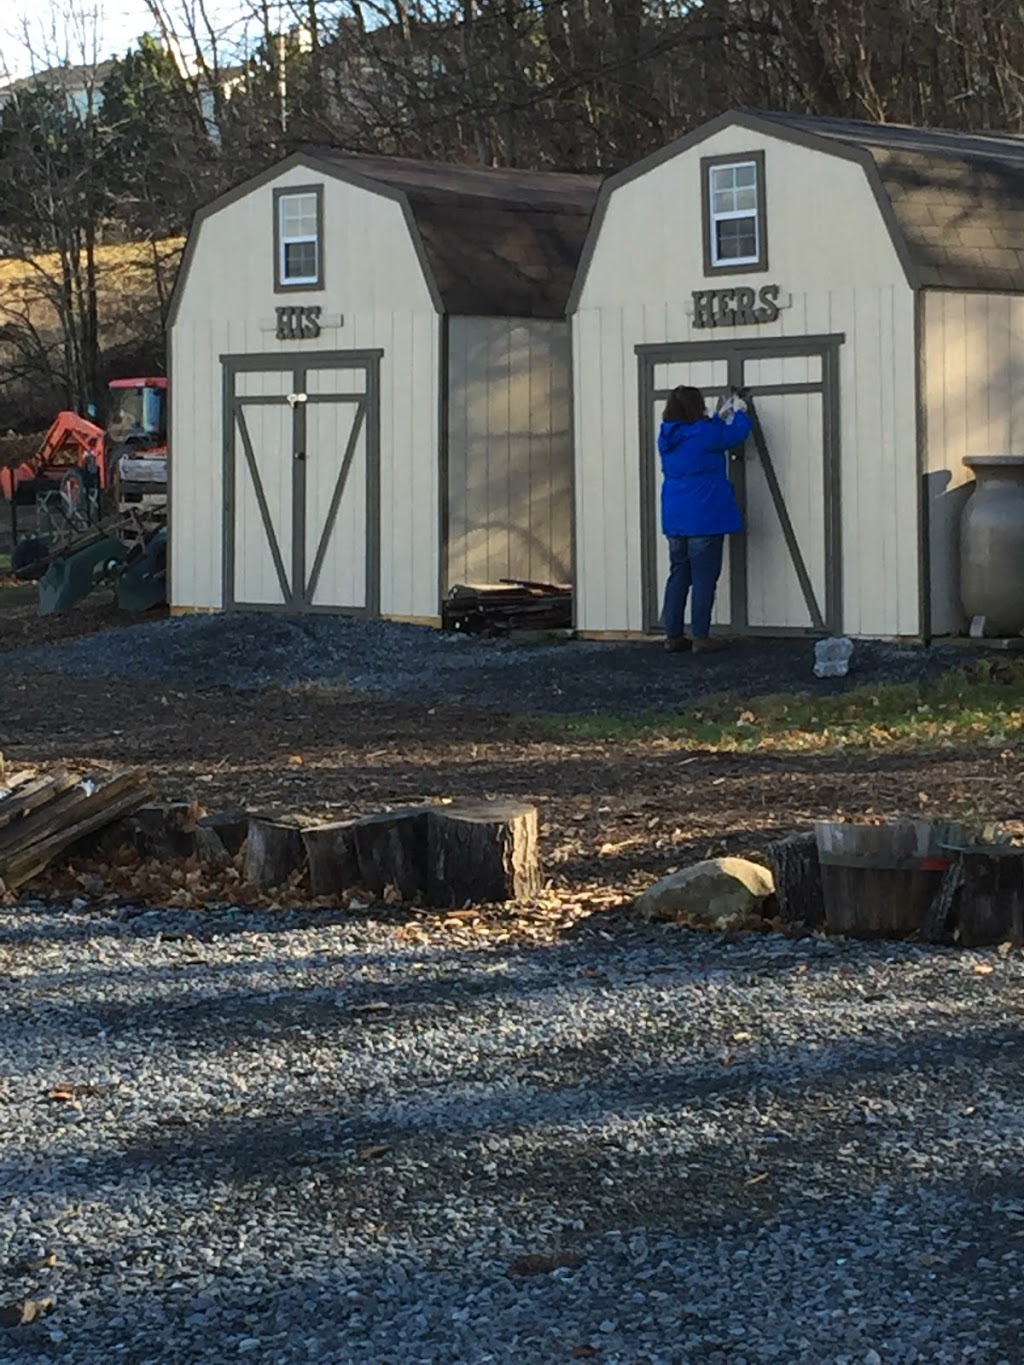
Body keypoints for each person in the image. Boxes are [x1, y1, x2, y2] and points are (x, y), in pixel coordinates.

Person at [658, 384, 752, 655]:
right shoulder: (704, 433)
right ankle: (700, 637)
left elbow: (705, 432)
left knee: (679, 574)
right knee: (703, 576)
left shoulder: (667, 436)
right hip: (704, 515)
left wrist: (715, 417)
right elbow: (735, 434)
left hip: (675, 516)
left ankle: (673, 636)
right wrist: (741, 412)